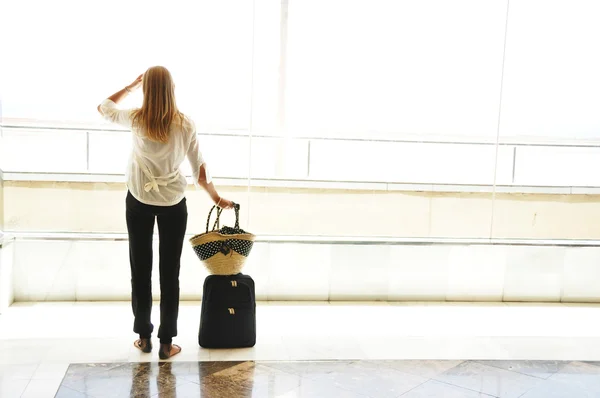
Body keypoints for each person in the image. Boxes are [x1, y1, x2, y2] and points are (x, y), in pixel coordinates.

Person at [97, 66, 234, 359]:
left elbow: (104, 107)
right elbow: (200, 173)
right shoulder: (185, 124)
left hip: (139, 200)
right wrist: (216, 198)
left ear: (146, 89)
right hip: (173, 204)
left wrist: (131, 86)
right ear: (172, 89)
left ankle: (144, 338)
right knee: (170, 274)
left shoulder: (135, 118)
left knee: (140, 269)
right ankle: (165, 343)